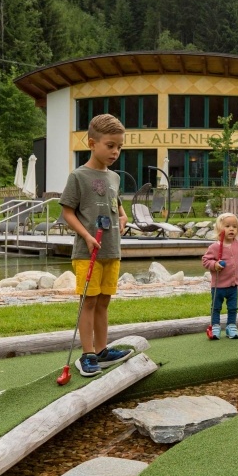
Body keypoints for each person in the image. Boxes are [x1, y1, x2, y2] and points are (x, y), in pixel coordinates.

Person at [60, 113, 133, 377]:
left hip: (112, 250)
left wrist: (123, 217)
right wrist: (87, 236)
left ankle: (102, 351)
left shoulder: (114, 178)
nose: (115, 151)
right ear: (92, 143)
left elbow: (118, 207)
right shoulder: (78, 176)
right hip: (87, 251)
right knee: (88, 302)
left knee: (104, 302)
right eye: (110, 146)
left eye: (119, 147)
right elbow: (68, 212)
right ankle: (87, 354)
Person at [202, 213, 238, 339]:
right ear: (219, 229)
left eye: (234, 227)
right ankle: (215, 326)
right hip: (218, 286)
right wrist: (215, 264)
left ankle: (231, 326)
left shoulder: (237, 244)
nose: (231, 229)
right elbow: (205, 261)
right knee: (216, 308)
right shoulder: (214, 247)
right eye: (227, 226)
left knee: (233, 308)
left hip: (233, 285)